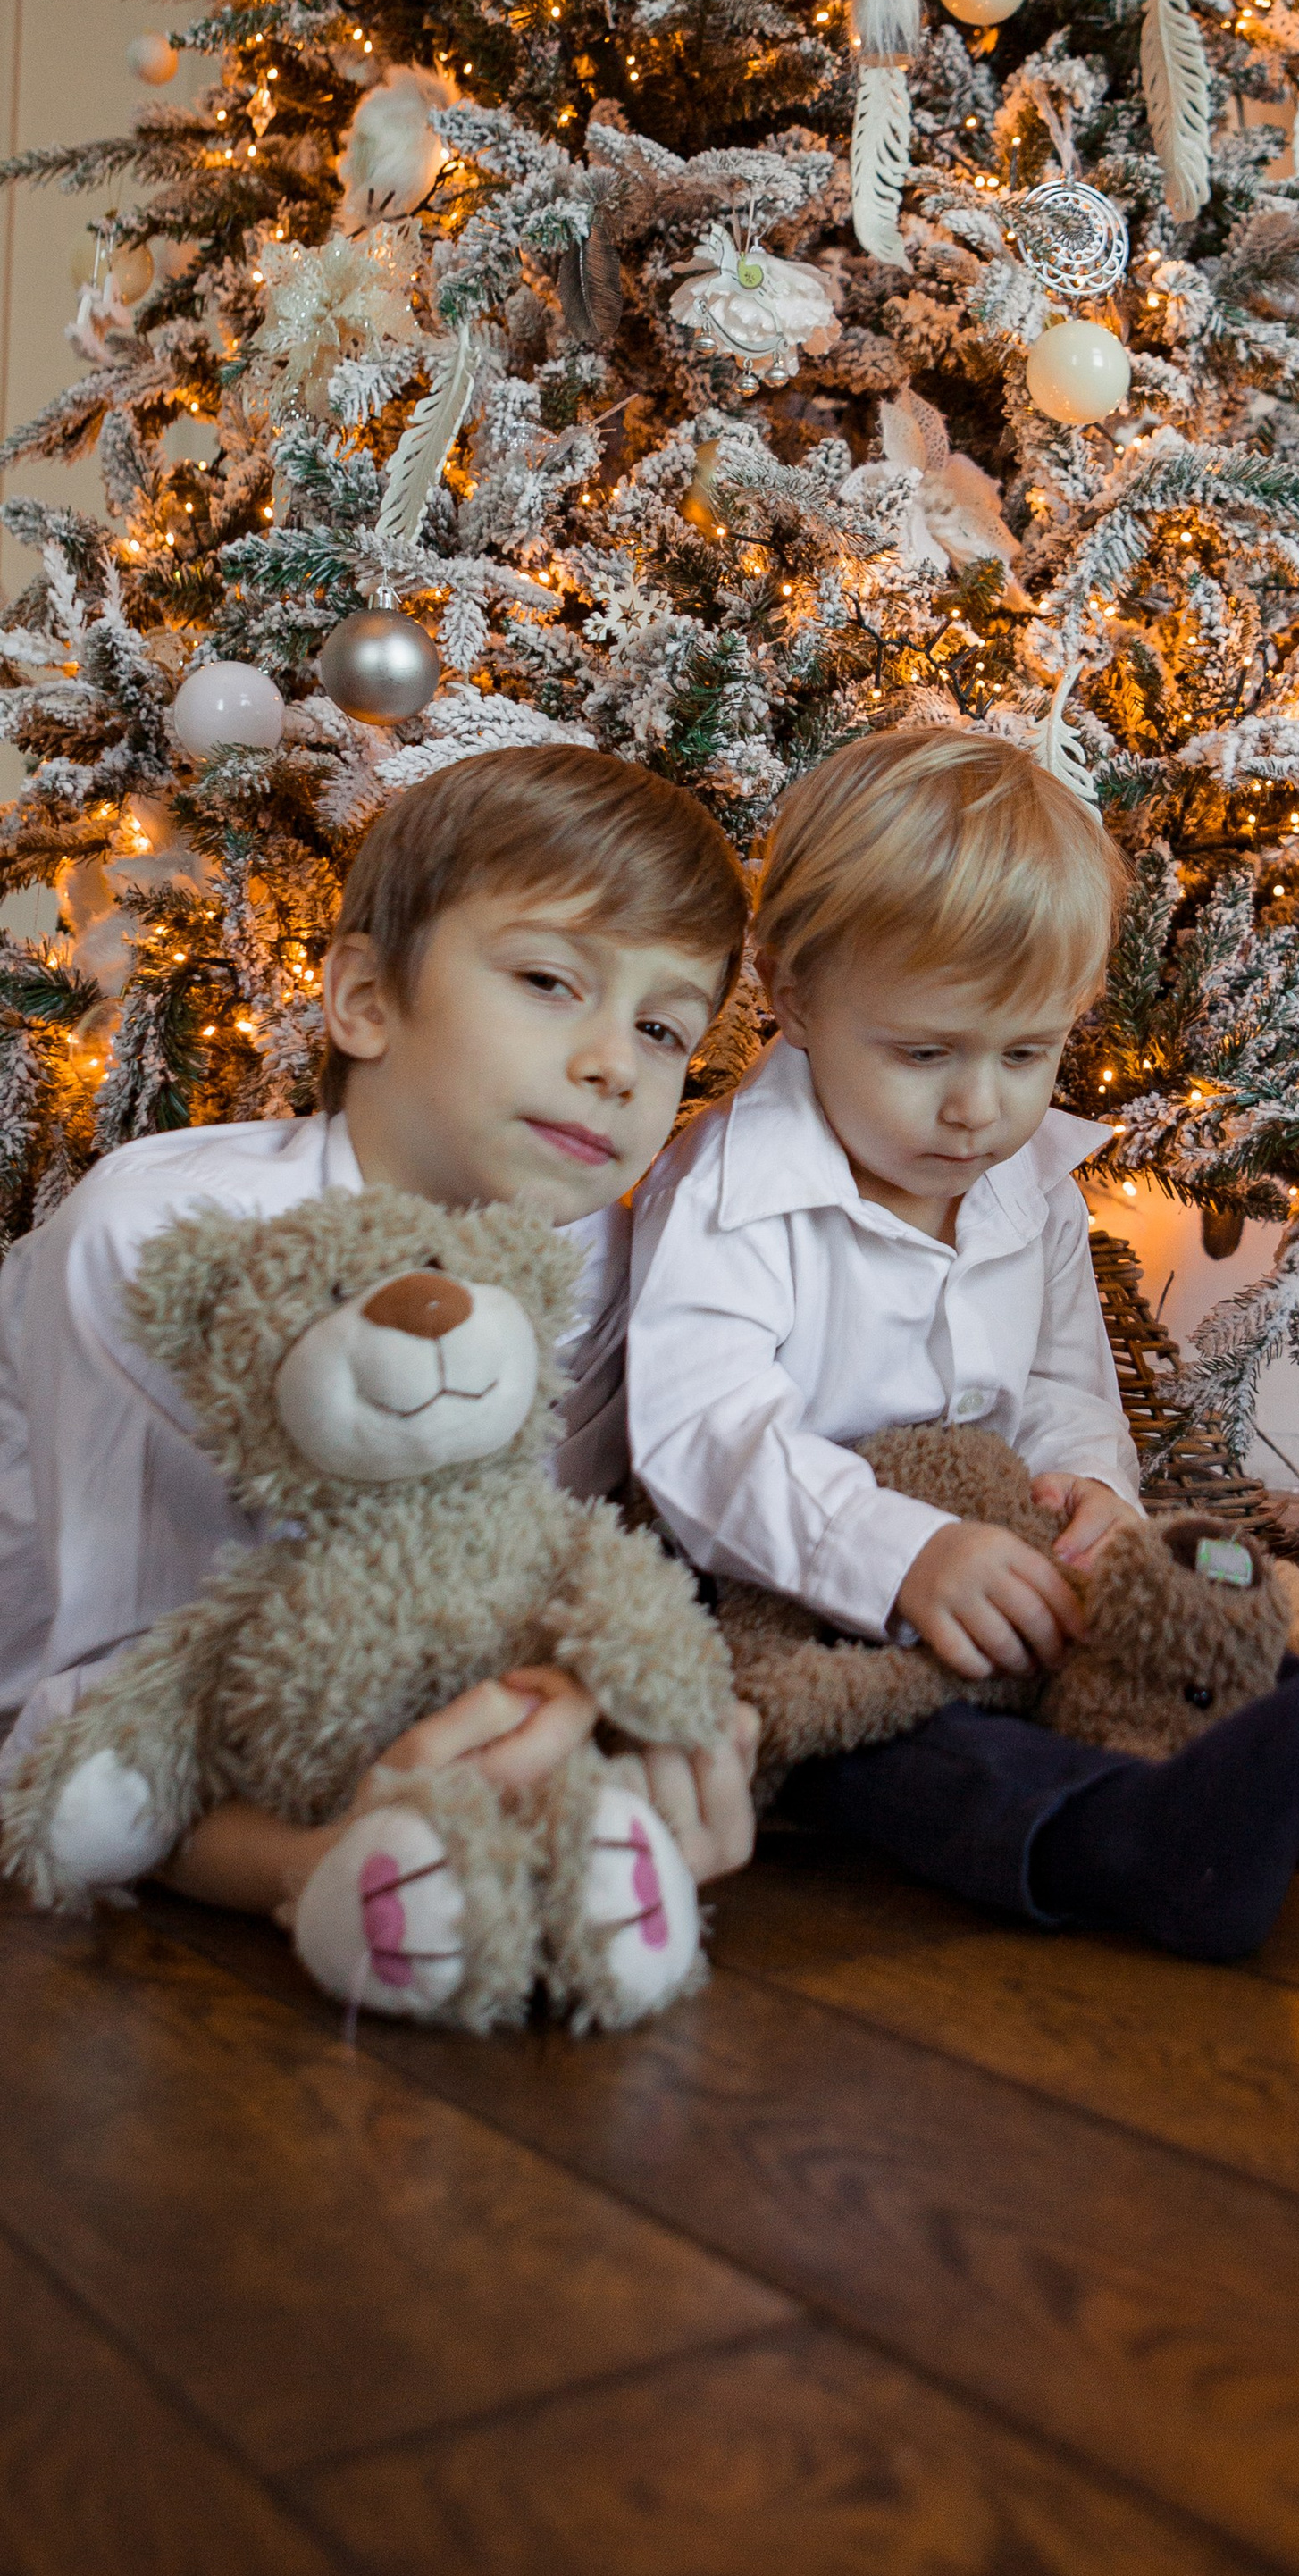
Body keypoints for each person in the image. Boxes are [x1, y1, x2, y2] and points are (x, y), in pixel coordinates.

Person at [629, 725, 1299, 1961]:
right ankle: (1114, 1838)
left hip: (1001, 1558)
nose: (978, 1106)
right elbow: (703, 1433)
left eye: (1027, 1053)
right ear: (791, 992)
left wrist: (1095, 1498)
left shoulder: (1026, 1186)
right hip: (788, 1595)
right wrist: (899, 1556)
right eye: (924, 1053)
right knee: (915, 1747)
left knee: (1196, 1637)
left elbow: (1065, 1388)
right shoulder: (730, 1191)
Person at [0, 741, 762, 1923]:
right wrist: (326, 1867)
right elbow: (91, 1720)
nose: (616, 1064)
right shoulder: (165, 1245)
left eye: (665, 1030)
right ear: (364, 999)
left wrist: (621, 1739)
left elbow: (529, 1578)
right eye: (549, 980)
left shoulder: (628, 1273)